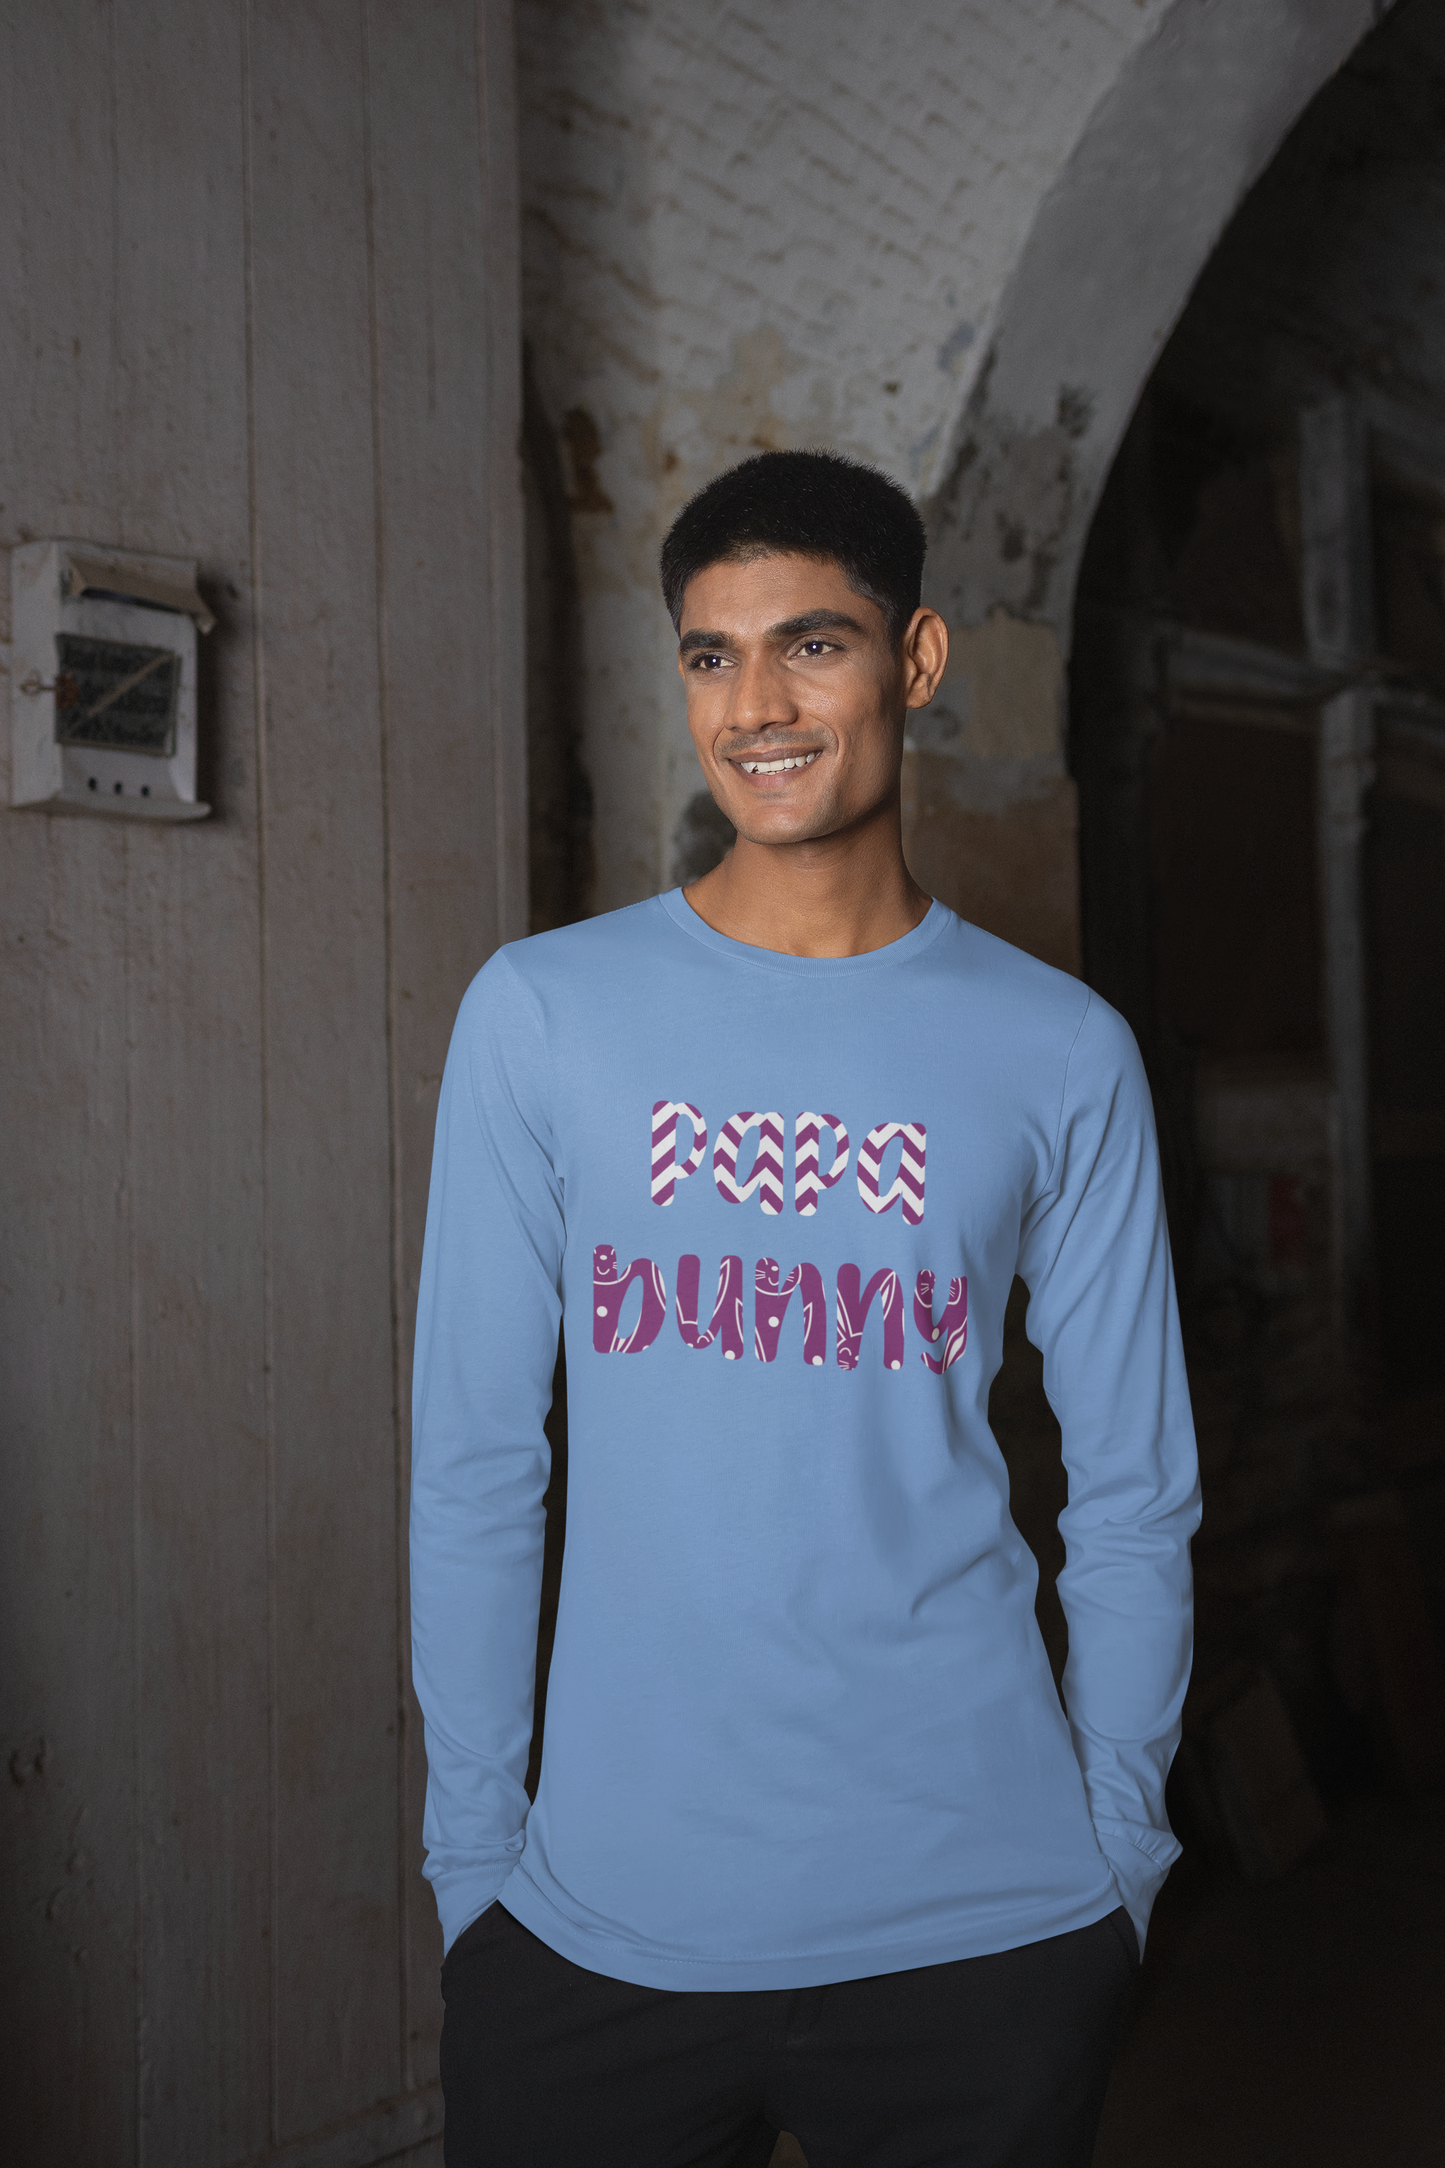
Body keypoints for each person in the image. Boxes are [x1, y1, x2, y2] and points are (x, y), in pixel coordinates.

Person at [410, 449, 1200, 2167]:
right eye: (713, 655)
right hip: (593, 1933)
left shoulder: (1061, 1051)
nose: (755, 707)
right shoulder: (543, 1015)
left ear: (915, 659)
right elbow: (475, 1467)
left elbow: (1137, 1490)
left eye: (811, 646)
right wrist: (474, 1869)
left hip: (985, 1929)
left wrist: (1119, 1852)